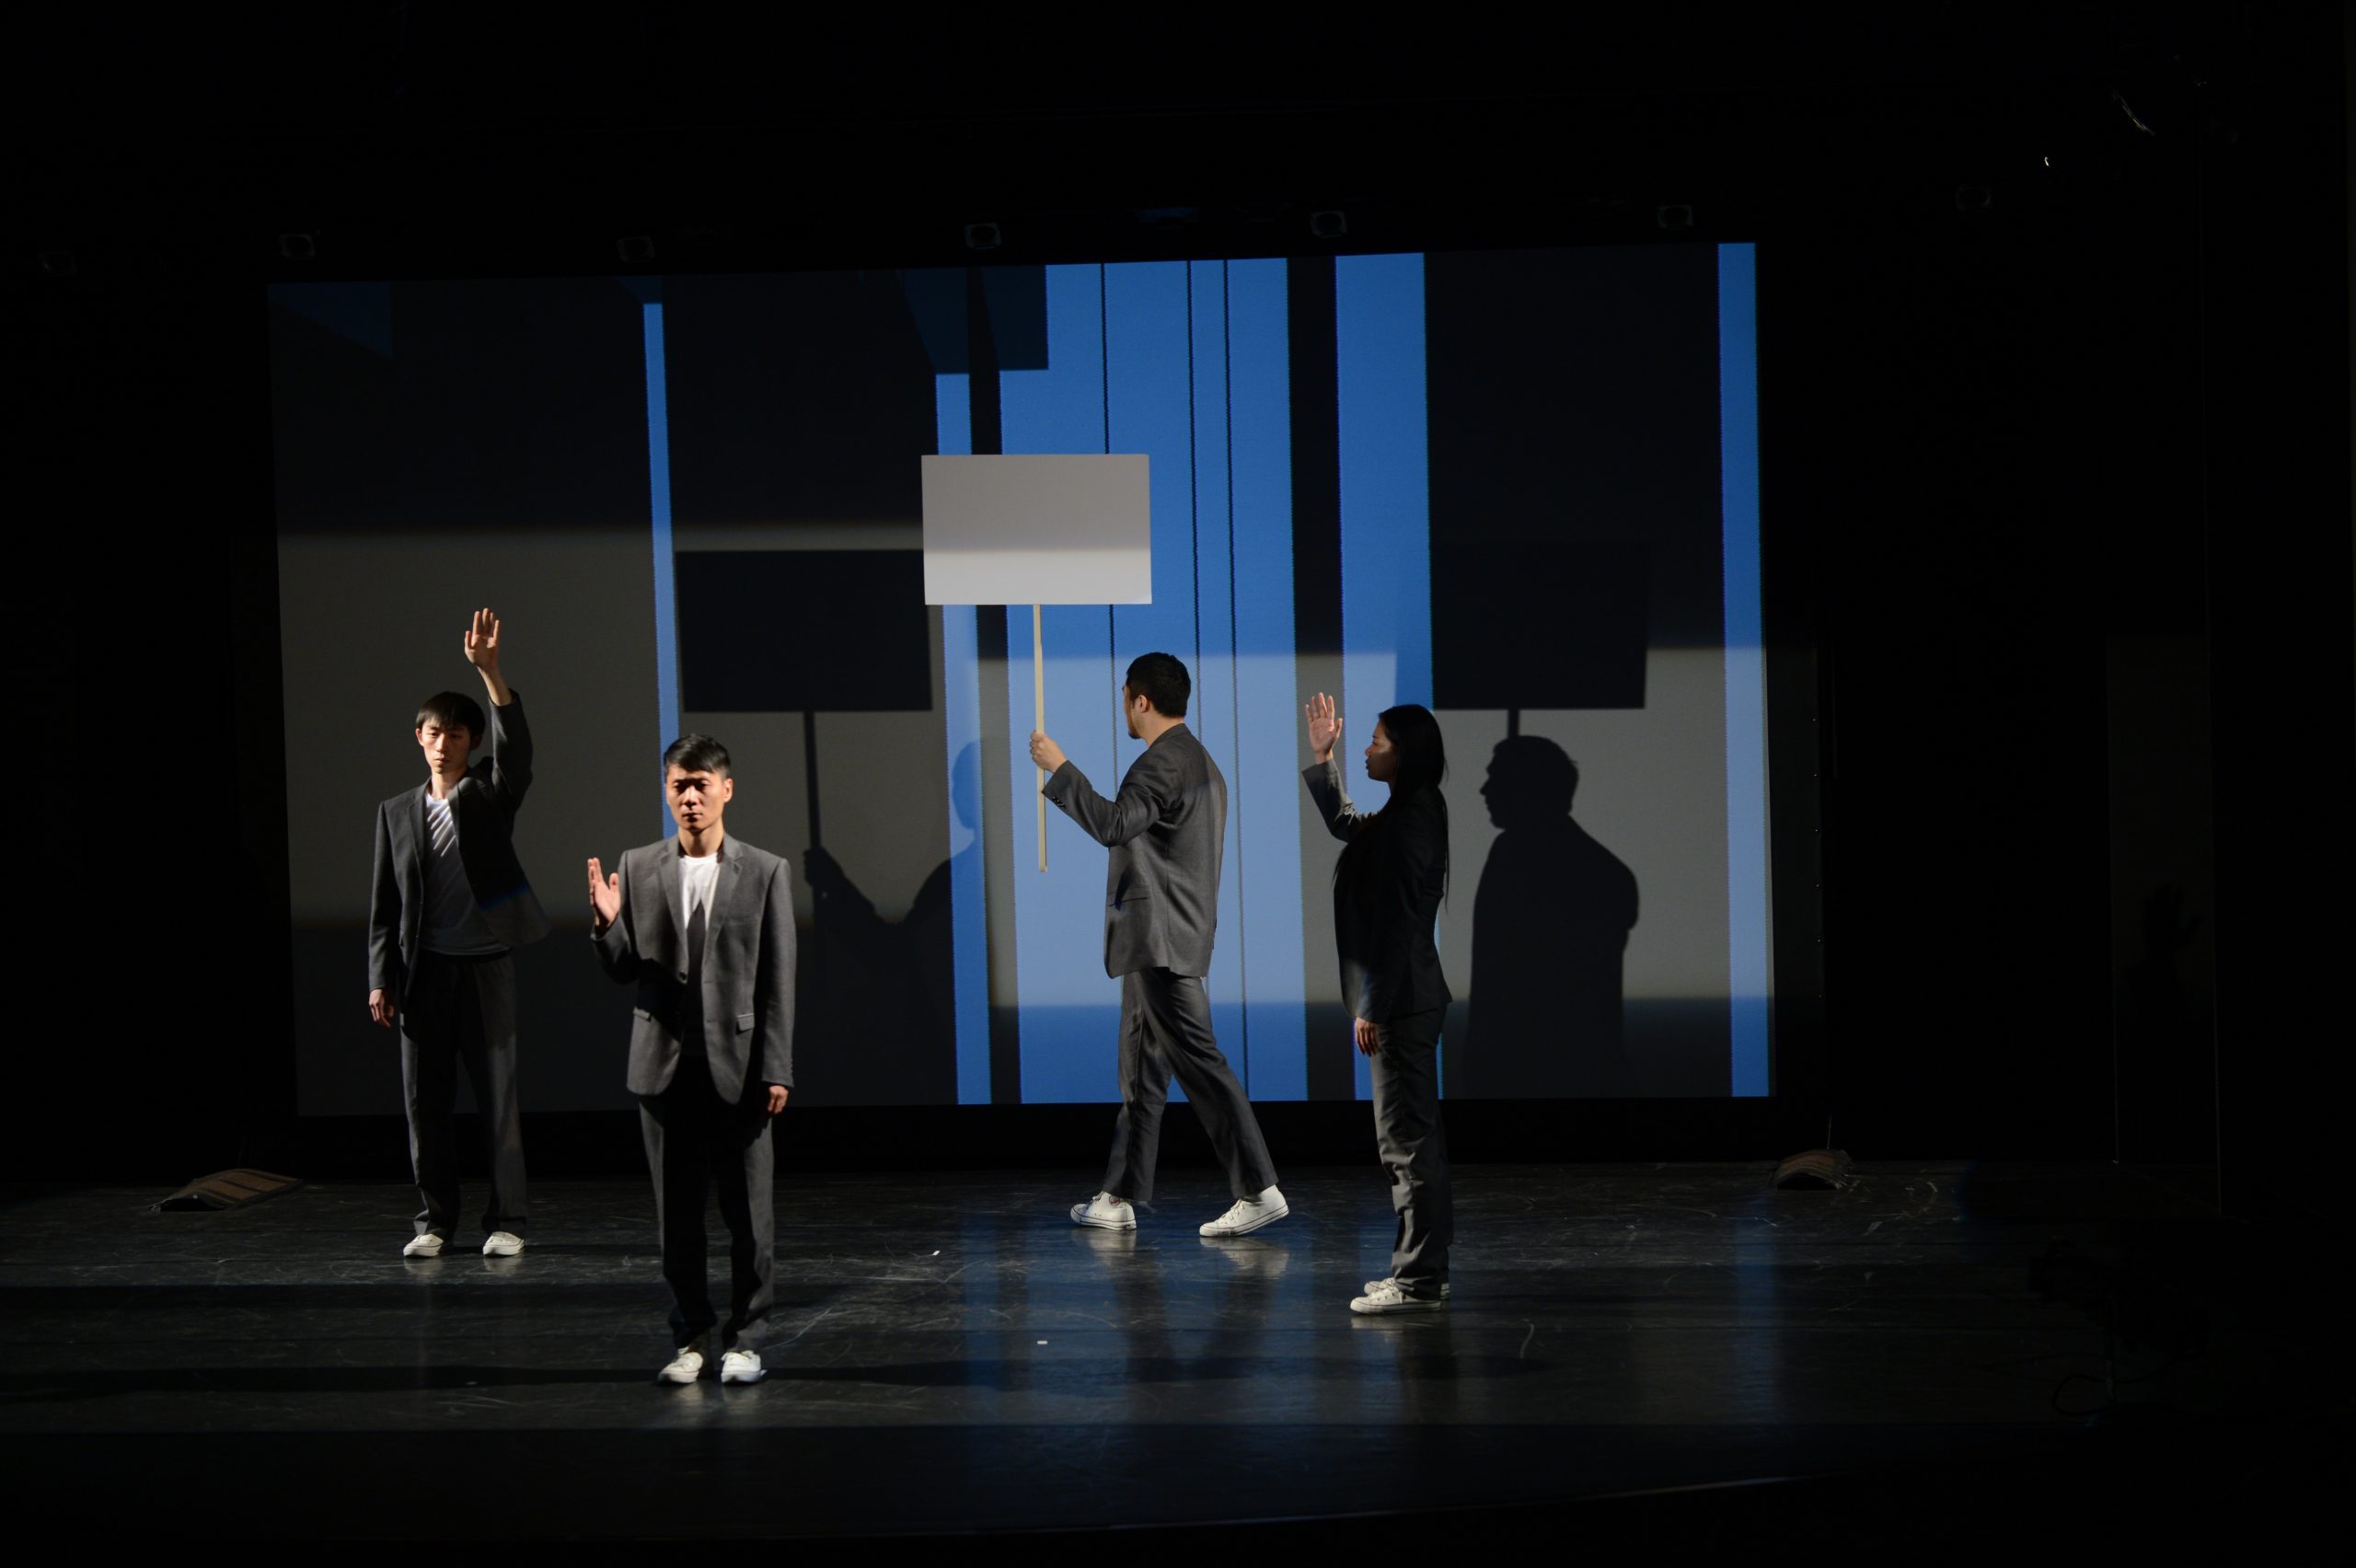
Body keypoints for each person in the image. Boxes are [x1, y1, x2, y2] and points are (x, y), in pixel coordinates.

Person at [1030, 652, 1287, 1239]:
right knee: (1142, 1070)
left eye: (1125, 697)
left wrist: (1059, 767)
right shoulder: (1199, 760)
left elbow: (1113, 825)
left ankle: (1258, 1187)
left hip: (1160, 938)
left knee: (1199, 1061)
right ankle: (1118, 1195)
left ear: (1140, 700)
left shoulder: (1160, 763)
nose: (1123, 706)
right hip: (1170, 935)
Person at [588, 735, 796, 1386]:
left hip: (740, 1068)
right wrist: (608, 926)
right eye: (679, 784)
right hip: (663, 1068)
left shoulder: (765, 871)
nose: (690, 796)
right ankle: (692, 1339)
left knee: (748, 1218)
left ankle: (747, 1339)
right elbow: (626, 970)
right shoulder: (639, 865)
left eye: (701, 784)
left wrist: (777, 1066)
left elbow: (778, 979)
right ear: (666, 791)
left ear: (726, 789)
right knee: (676, 1218)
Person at [367, 608, 549, 1260]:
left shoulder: (488, 795)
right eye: (434, 732)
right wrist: (381, 978)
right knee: (426, 1104)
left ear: (472, 741)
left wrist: (491, 672)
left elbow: (518, 755)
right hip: (425, 973)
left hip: (486, 966)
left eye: (456, 734)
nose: (443, 744)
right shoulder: (396, 813)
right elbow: (385, 905)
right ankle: (435, 1221)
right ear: (419, 737)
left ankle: (508, 1221)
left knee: (498, 1101)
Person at [1301, 693, 1455, 1314]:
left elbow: (1400, 925)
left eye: (1376, 742)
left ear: (1405, 753)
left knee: (1406, 1145)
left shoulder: (1414, 818)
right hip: (1406, 998)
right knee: (1410, 1141)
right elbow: (1348, 826)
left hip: (1401, 1002)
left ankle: (1417, 1280)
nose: (1366, 749)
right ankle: (1425, 1273)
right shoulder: (1405, 811)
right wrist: (1324, 759)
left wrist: (1371, 1005)